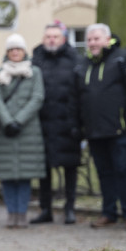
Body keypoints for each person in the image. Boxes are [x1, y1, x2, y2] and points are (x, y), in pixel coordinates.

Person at [77, 23, 126, 230]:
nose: (92, 43)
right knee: (104, 173)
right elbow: (77, 96)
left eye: (96, 39)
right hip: (94, 130)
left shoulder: (124, 58)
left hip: (120, 128)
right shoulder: (83, 65)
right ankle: (108, 212)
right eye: (89, 39)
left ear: (107, 40)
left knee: (125, 170)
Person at [0, 34, 46, 228]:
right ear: (7, 52)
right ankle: (11, 212)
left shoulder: (34, 72)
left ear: (24, 51)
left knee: (24, 175)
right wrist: (7, 121)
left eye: (18, 49)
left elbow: (37, 97)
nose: (15, 52)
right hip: (4, 130)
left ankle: (21, 212)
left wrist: (19, 121)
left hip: (27, 130)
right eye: (11, 49)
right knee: (7, 174)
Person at [30, 21, 83, 224]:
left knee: (70, 167)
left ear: (63, 39)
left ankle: (70, 208)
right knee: (44, 169)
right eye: (48, 37)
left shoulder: (74, 59)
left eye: (55, 37)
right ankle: (46, 209)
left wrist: (78, 122)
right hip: (42, 123)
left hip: (67, 122)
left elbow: (80, 92)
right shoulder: (36, 59)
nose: (51, 40)